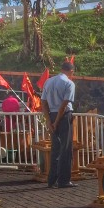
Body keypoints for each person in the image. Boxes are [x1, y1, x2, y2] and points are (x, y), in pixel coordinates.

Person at [40, 60, 76, 188]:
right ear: (71, 71)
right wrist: (56, 121)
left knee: (55, 148)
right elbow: (64, 105)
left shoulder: (48, 81)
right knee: (66, 148)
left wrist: (49, 121)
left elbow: (43, 102)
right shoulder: (69, 83)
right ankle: (64, 180)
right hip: (64, 116)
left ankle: (52, 180)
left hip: (51, 114)